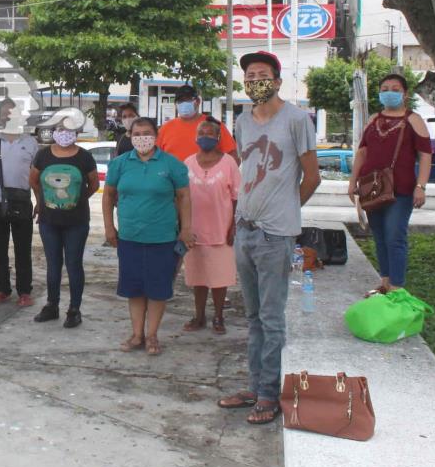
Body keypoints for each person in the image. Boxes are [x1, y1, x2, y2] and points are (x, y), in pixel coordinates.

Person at [218, 51, 320, 425]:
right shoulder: (243, 121)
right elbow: (247, 172)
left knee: (272, 317)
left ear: (277, 81)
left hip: (276, 235)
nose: (254, 80)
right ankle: (256, 385)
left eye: (262, 74)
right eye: (249, 75)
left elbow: (312, 176)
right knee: (252, 316)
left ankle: (269, 394)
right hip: (245, 229)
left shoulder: (296, 119)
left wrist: (288, 211)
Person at [103, 118, 192, 354]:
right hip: (129, 236)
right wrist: (109, 227)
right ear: (130, 136)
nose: (142, 137)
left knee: (157, 289)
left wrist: (186, 229)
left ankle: (152, 336)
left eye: (147, 133)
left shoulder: (172, 165)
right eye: (137, 133)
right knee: (134, 288)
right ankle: (136, 335)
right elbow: (108, 195)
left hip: (162, 237)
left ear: (156, 135)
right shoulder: (120, 164)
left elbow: (184, 197)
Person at [348, 73, 432, 296]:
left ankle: (397, 286)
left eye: (395, 89)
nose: (389, 92)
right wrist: (352, 181)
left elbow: (425, 155)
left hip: (402, 189)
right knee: (380, 236)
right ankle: (384, 282)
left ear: (404, 94)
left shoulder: (413, 119)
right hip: (371, 187)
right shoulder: (374, 119)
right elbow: (362, 152)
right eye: (385, 88)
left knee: (395, 235)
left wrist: (421, 186)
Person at [30, 124, 100, 327]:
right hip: (48, 221)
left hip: (76, 222)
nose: (64, 133)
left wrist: (77, 199)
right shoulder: (42, 155)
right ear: (53, 131)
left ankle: (74, 310)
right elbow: (34, 180)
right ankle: (52, 305)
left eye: (69, 129)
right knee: (53, 265)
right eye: (60, 128)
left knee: (74, 264)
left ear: (77, 132)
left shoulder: (85, 157)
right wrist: (41, 201)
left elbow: (94, 184)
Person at [183, 117, 241, 335]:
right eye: (202, 133)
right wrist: (183, 226)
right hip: (194, 230)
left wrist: (233, 225)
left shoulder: (229, 163)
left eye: (210, 134)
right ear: (196, 137)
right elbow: (181, 195)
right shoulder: (188, 163)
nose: (205, 137)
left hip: (221, 229)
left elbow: (237, 197)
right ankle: (199, 317)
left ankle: (218, 316)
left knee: (219, 277)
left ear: (218, 138)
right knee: (198, 277)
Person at [0, 123, 39, 307]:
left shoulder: (31, 143)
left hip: (22, 202)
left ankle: (25, 292)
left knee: (23, 249)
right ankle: (2, 289)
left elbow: (37, 176)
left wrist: (40, 202)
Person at [156, 85, 239, 164]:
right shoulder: (165, 129)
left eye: (188, 99)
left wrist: (216, 175)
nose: (184, 103)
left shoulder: (214, 125)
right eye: (180, 101)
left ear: (198, 101)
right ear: (176, 105)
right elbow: (154, 158)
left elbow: (233, 158)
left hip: (207, 178)